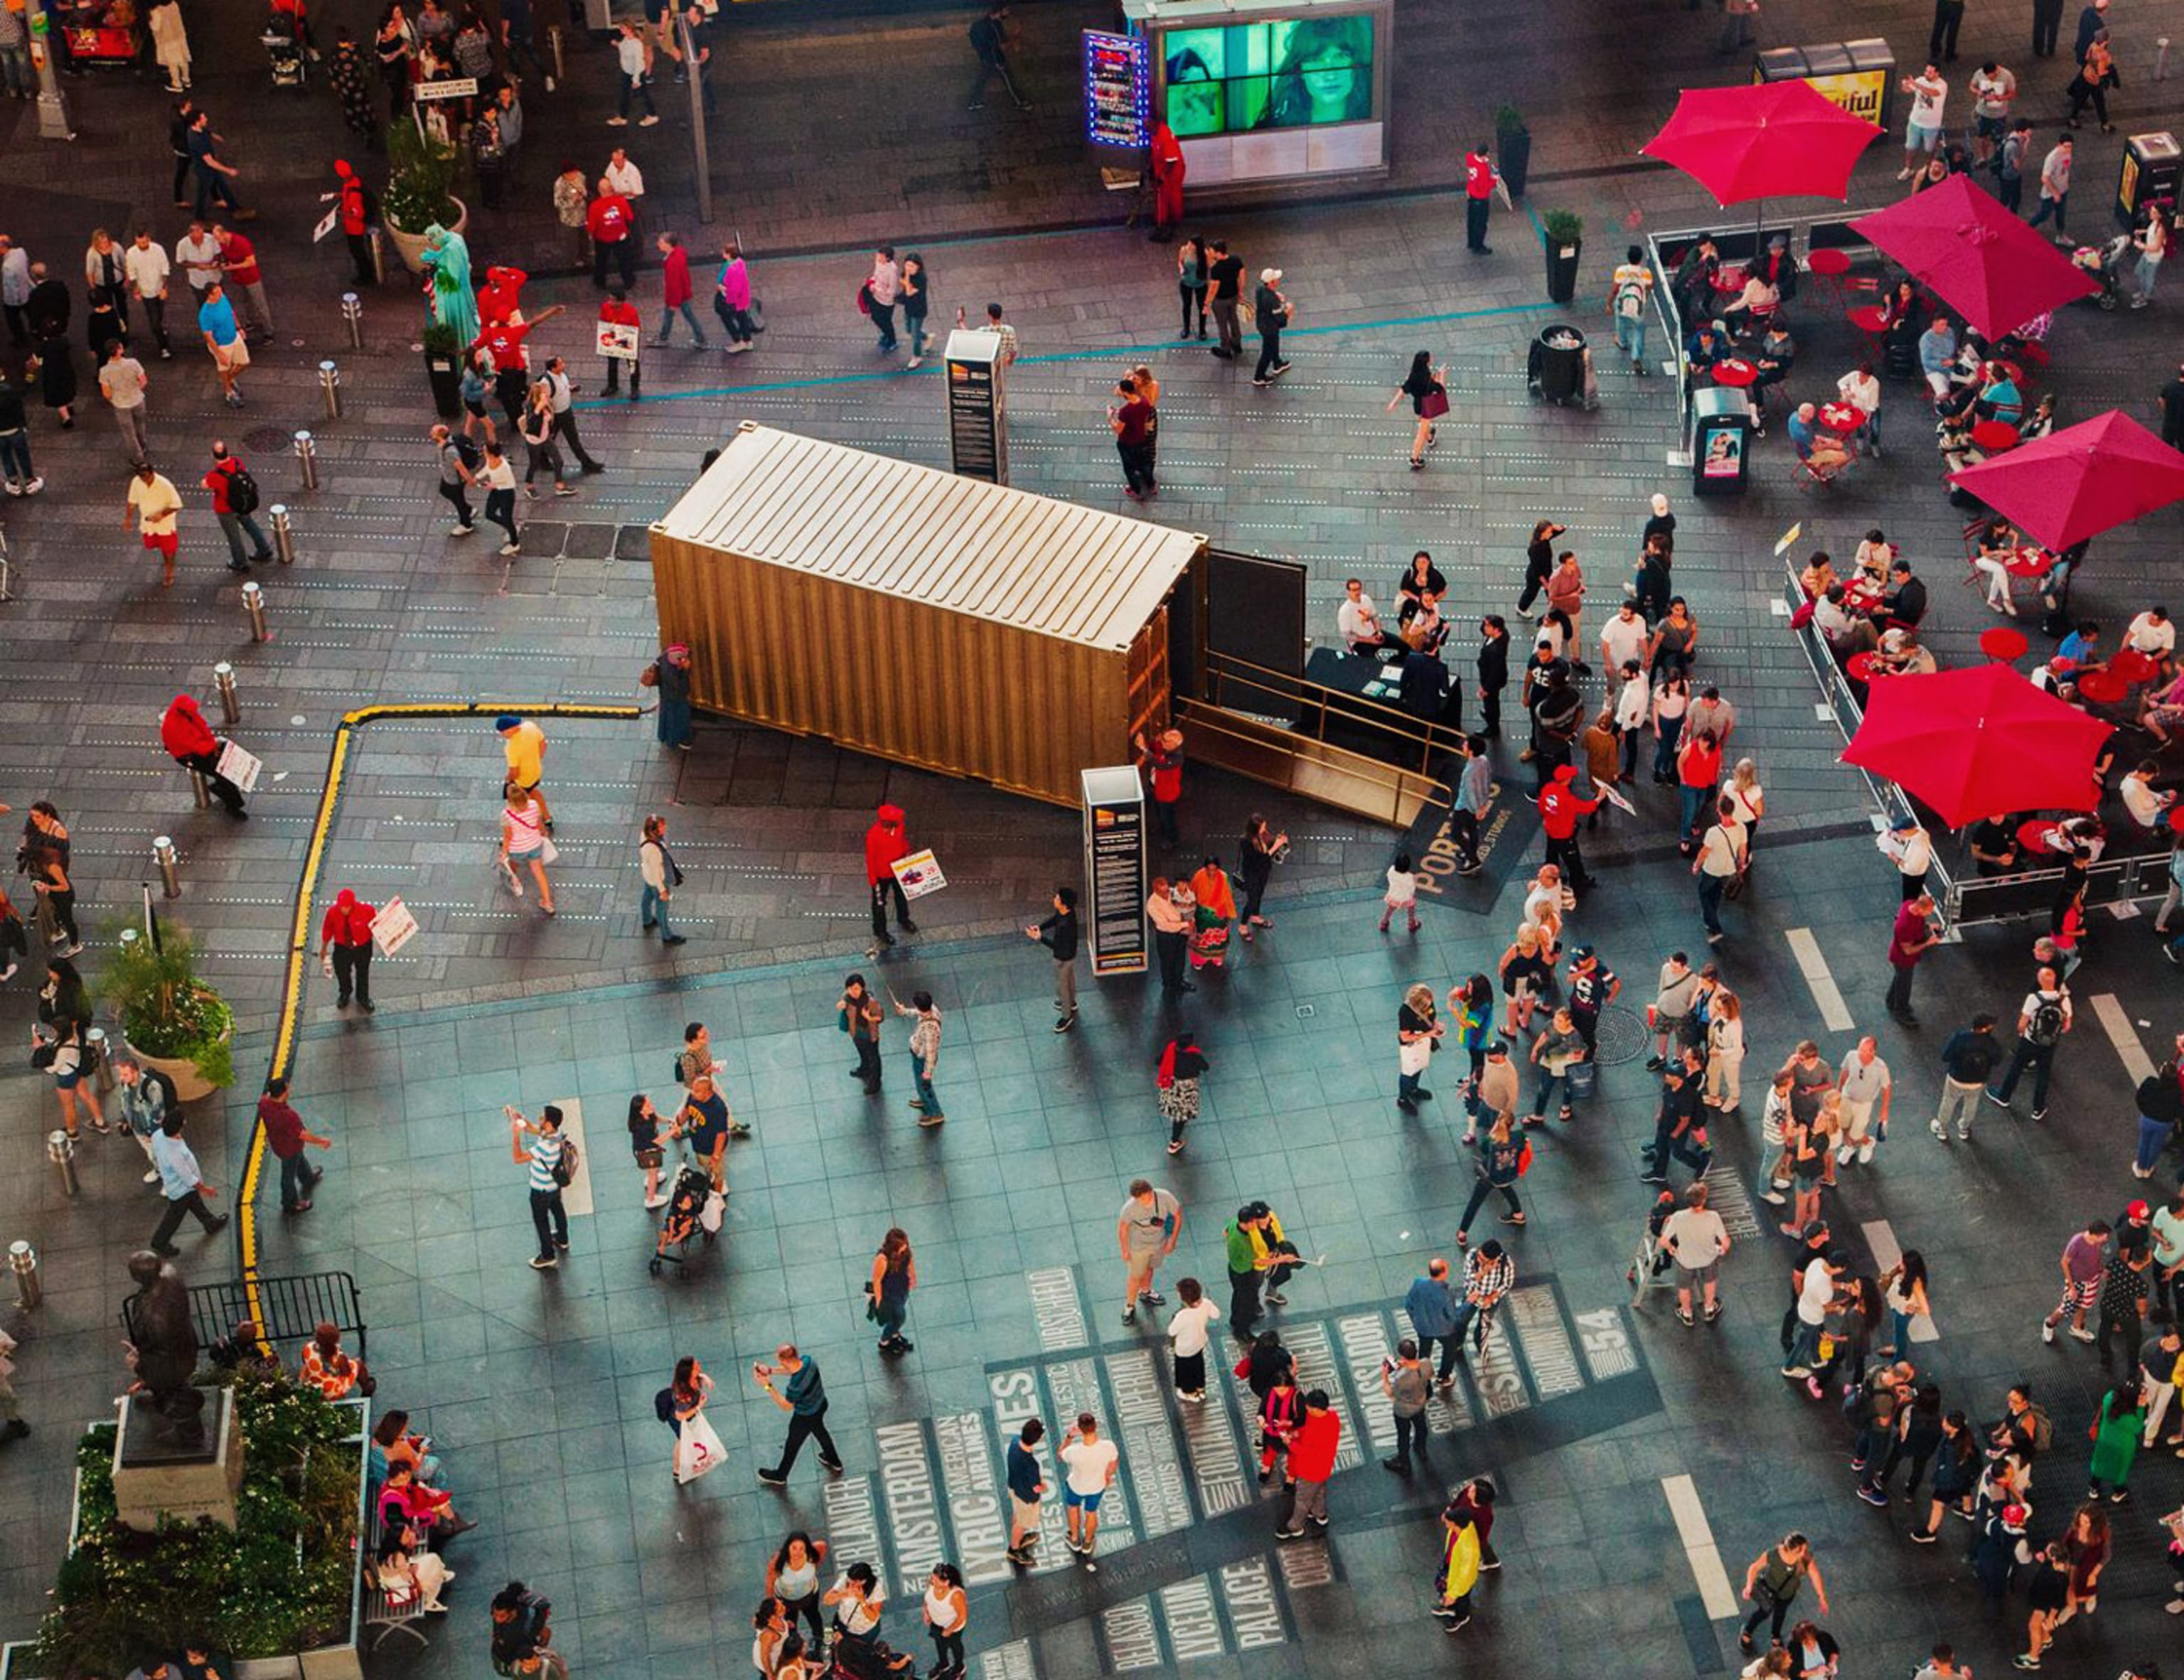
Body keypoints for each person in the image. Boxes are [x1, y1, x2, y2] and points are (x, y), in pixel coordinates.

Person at [1988, 965, 2071, 1120]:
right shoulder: (2062, 999)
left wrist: (2022, 1033)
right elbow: (2066, 1026)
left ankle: (2004, 1097)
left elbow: (2022, 1022)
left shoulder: (2034, 998)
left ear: (2040, 981)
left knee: (2017, 1067)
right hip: (2050, 1044)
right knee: (2044, 1074)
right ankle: (2038, 1109)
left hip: (2030, 1040)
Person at [756, 1344, 844, 1484]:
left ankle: (781, 1475)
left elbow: (786, 1406)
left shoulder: (795, 1387)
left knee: (792, 1445)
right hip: (820, 1404)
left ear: (784, 1361)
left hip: (805, 1416)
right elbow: (792, 1369)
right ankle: (834, 1460)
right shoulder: (809, 1361)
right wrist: (770, 1371)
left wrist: (767, 1385)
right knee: (820, 1431)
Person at [148, 1111, 229, 1256]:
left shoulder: (158, 1136)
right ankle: (159, 1241)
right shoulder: (175, 1153)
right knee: (174, 1217)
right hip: (181, 1190)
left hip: (181, 1187)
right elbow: (187, 1178)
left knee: (195, 1203)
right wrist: (205, 1189)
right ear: (179, 1127)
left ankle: (210, 1223)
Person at [1739, 1535, 1827, 1654]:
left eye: (1806, 1549)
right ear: (1791, 1550)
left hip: (1787, 1593)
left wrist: (1821, 1596)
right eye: (1801, 1550)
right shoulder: (1774, 1554)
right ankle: (1748, 1630)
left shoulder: (1805, 1558)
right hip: (1769, 1588)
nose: (1805, 1553)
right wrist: (1749, 1586)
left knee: (1780, 1613)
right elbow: (1754, 1567)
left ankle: (1775, 1635)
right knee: (1764, 1612)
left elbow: (1815, 1575)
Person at [1058, 1412, 1118, 1562]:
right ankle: (1088, 1543)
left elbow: (1060, 1455)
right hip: (1097, 1487)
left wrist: (1069, 1437)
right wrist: (1107, 1477)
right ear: (1096, 1426)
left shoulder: (1073, 1451)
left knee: (1073, 1508)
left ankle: (1075, 1539)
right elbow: (1112, 1466)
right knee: (1091, 1512)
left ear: (1079, 1428)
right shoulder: (1109, 1446)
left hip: (1075, 1486)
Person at [863, 802, 916, 950]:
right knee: (879, 904)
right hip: (881, 875)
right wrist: (873, 880)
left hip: (898, 870)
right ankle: (880, 931)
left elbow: (902, 842)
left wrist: (907, 851)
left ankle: (903, 919)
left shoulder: (898, 828)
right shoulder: (874, 835)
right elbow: (871, 858)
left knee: (902, 895)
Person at [1386, 351, 1447, 468]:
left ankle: (1430, 436)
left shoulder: (1413, 374)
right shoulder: (1426, 379)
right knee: (1420, 434)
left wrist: (1393, 403)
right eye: (1430, 358)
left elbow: (1405, 388)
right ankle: (1414, 459)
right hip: (1427, 408)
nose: (1431, 359)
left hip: (1418, 406)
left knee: (1424, 427)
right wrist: (1442, 375)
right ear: (1427, 362)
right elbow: (1441, 389)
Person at [965, 2, 1029, 110]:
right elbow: (1002, 46)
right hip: (996, 59)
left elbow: (974, 39)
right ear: (1000, 11)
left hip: (985, 58)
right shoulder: (996, 25)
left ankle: (973, 102)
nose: (1008, 13)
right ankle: (1020, 102)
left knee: (982, 80)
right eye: (1007, 10)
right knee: (1009, 80)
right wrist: (1015, 37)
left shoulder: (978, 24)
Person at [895, 990, 944, 1125]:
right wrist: (904, 1011)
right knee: (922, 1085)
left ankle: (935, 1113)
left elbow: (931, 1051)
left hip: (922, 1058)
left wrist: (928, 1071)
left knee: (924, 1085)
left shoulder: (929, 1029)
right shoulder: (932, 1009)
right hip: (919, 1053)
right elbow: (918, 1012)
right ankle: (924, 1100)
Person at [638, 813, 687, 947]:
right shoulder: (653, 850)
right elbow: (656, 873)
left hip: (647, 876)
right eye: (662, 827)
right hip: (657, 880)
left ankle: (647, 920)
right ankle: (667, 935)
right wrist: (663, 891)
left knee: (647, 898)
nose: (665, 828)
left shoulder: (644, 835)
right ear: (655, 830)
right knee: (662, 909)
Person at [1004, 1418, 1045, 1566]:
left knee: (1017, 1516)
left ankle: (1017, 1538)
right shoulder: (1031, 1464)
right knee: (1021, 1523)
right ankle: (1014, 1549)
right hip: (1026, 1497)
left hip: (1014, 1488)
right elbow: (1037, 1487)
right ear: (1037, 1439)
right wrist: (1043, 1485)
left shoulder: (1015, 1442)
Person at [870, 1227, 916, 1355]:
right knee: (899, 1318)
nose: (905, 1247)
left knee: (896, 1315)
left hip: (902, 1288)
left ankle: (894, 1336)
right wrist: (879, 1301)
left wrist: (912, 1277)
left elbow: (910, 1263)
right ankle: (884, 1341)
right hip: (889, 1293)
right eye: (901, 1245)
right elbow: (877, 1280)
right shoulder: (883, 1259)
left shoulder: (905, 1252)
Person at [1251, 267, 1291, 386]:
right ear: (1271, 282)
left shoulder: (1260, 290)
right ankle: (1259, 377)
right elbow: (1281, 320)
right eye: (1276, 279)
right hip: (1270, 328)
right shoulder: (1272, 300)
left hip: (1262, 323)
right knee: (1267, 352)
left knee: (1274, 344)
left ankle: (1277, 364)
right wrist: (1288, 309)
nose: (1278, 280)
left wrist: (1275, 294)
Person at [2028, 133, 2072, 232]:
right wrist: (2055, 193)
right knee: (2044, 214)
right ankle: (2028, 228)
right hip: (2050, 193)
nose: (2068, 150)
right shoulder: (2052, 158)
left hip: (2063, 189)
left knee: (2061, 213)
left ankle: (2061, 234)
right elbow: (2045, 178)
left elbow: (2065, 169)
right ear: (2059, 145)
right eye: (2066, 147)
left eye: (2070, 147)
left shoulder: (2068, 153)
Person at [1463, 141, 1497, 254]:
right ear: (1486, 153)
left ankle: (1471, 242)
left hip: (1471, 195)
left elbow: (1471, 156)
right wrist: (1495, 178)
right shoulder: (1483, 169)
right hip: (1481, 198)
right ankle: (1478, 246)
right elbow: (1486, 185)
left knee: (1472, 220)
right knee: (1481, 223)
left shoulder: (1470, 159)